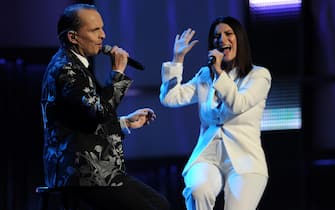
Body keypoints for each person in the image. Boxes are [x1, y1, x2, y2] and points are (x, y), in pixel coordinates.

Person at [40, 3, 170, 210]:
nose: (103, 35)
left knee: (160, 204)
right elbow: (97, 113)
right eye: (95, 30)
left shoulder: (76, 65)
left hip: (98, 171)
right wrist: (117, 73)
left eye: (102, 28)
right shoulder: (66, 69)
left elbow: (83, 120)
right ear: (73, 37)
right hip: (82, 173)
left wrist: (124, 122)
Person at [160, 16, 271, 210]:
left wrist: (220, 73)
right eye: (216, 36)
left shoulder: (258, 75)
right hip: (207, 154)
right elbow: (171, 98)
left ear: (240, 39)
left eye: (228, 34)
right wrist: (177, 59)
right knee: (197, 190)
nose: (222, 40)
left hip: (245, 159)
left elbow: (238, 104)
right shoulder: (205, 75)